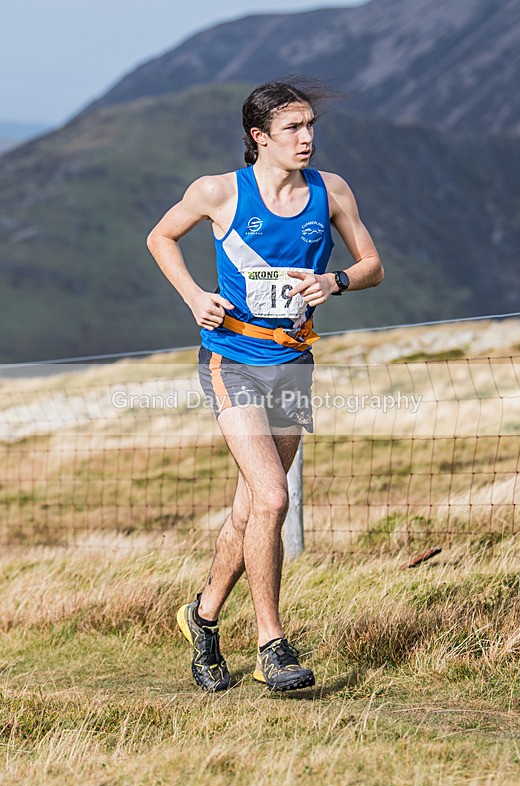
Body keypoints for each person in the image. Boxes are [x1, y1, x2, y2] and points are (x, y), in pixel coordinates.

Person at [146, 80, 383, 693]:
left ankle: (201, 619)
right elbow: (160, 236)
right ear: (260, 138)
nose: (306, 139)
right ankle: (271, 645)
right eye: (292, 129)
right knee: (275, 499)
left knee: (253, 506)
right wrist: (195, 296)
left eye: (310, 127)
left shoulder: (331, 192)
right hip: (231, 360)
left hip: (293, 363)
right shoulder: (219, 191)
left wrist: (335, 283)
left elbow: (373, 266)